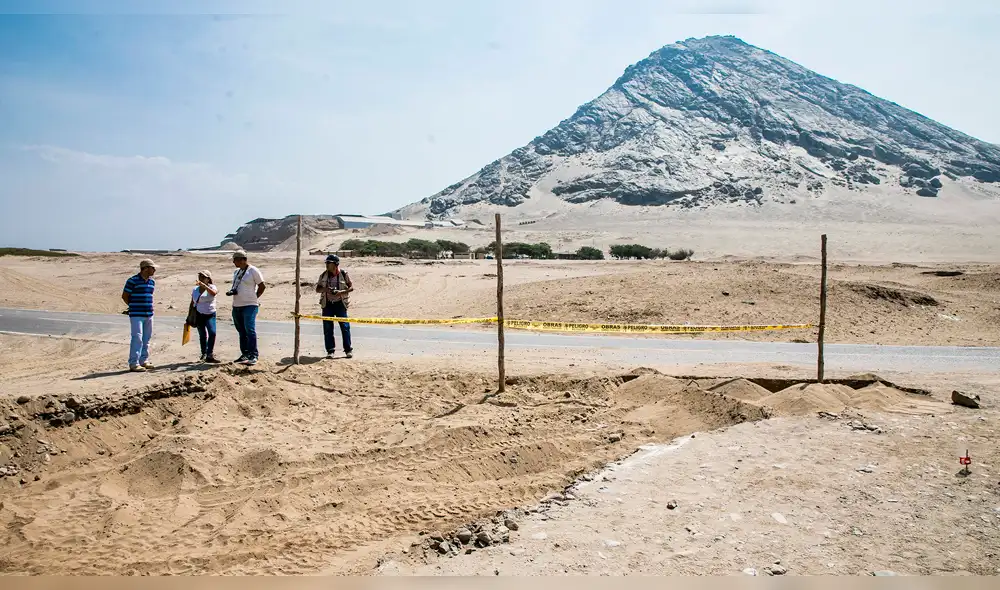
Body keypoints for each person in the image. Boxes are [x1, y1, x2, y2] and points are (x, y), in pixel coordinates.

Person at [230, 250, 266, 365]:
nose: (233, 262)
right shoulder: (236, 272)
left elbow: (262, 286)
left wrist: (254, 297)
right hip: (237, 305)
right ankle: (245, 353)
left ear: (242, 259)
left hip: (250, 305)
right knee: (241, 331)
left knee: (249, 329)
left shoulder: (253, 271)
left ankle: (253, 354)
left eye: (235, 260)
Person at [316, 254, 353, 359]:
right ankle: (330, 351)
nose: (327, 265)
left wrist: (340, 292)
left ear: (335, 264)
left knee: (345, 327)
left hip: (340, 304)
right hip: (327, 304)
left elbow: (351, 287)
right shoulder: (323, 275)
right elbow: (318, 289)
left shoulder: (343, 274)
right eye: (326, 263)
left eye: (329, 263)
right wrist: (326, 289)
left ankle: (348, 350)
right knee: (327, 328)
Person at [122, 259, 157, 372]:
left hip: (149, 313)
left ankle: (143, 360)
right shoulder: (132, 281)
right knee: (137, 337)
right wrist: (133, 306)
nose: (154, 270)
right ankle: (134, 363)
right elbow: (125, 296)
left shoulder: (152, 282)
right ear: (145, 268)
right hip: (136, 314)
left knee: (146, 338)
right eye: (152, 268)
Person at [192, 270, 221, 363]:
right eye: (200, 276)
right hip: (199, 314)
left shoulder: (212, 287)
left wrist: (204, 286)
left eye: (203, 277)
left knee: (212, 333)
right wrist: (190, 315)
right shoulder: (195, 289)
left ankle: (209, 354)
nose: (200, 278)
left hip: (210, 314)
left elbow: (213, 293)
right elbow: (193, 302)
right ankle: (204, 353)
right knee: (202, 335)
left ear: (208, 279)